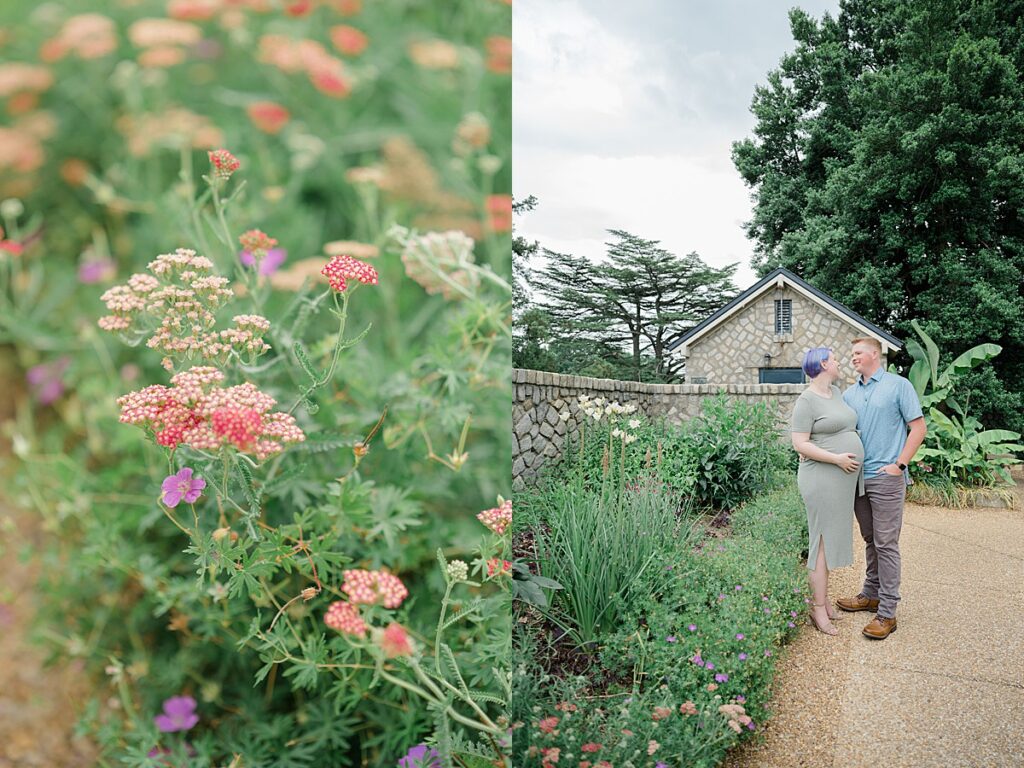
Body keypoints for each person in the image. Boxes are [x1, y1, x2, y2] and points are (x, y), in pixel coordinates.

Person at [836, 337, 926, 640]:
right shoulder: (849, 394)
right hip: (857, 478)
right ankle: (870, 594)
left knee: (886, 543)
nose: (853, 358)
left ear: (876, 354)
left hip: (886, 476)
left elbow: (918, 428)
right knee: (871, 539)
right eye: (851, 354)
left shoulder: (898, 386)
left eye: (858, 352)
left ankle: (887, 612)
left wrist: (899, 465)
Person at [790, 347, 864, 635]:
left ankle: (824, 601)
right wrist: (837, 458)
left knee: (829, 541)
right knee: (820, 542)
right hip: (822, 478)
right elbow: (800, 443)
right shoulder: (806, 401)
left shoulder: (836, 394)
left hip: (840, 480)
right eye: (834, 359)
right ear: (823, 364)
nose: (838, 363)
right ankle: (817, 609)